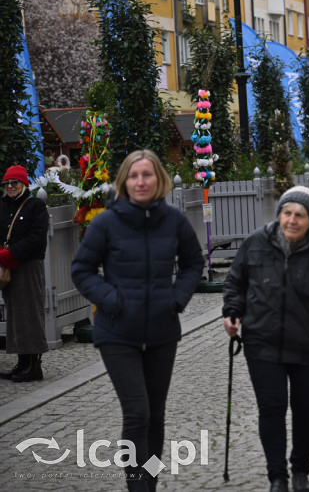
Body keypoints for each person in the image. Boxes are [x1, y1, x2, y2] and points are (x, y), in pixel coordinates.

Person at [71, 150, 205, 491]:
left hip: (162, 332)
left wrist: (176, 298)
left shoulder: (174, 221)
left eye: (147, 175)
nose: (140, 181)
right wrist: (111, 299)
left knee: (156, 417)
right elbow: (82, 270)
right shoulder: (105, 223)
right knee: (137, 413)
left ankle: (150, 480)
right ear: (124, 181)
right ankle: (137, 486)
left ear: (159, 179)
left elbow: (193, 263)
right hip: (117, 332)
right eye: (133, 176)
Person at [222, 185, 309, 492]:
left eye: (299, 215)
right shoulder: (256, 243)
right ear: (279, 215)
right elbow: (235, 282)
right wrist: (232, 312)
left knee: (305, 411)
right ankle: (277, 476)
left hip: (308, 342)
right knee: (271, 410)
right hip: (262, 342)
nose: (292, 220)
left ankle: (301, 471)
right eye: (286, 213)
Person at [0, 165, 50, 383]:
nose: (10, 186)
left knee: (30, 314)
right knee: (15, 315)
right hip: (9, 266)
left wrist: (12, 253)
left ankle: (34, 365)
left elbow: (37, 238)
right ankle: (22, 362)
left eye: (15, 183)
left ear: (24, 184)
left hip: (28, 265)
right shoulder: (2, 205)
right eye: (7, 183)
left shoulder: (35, 206)